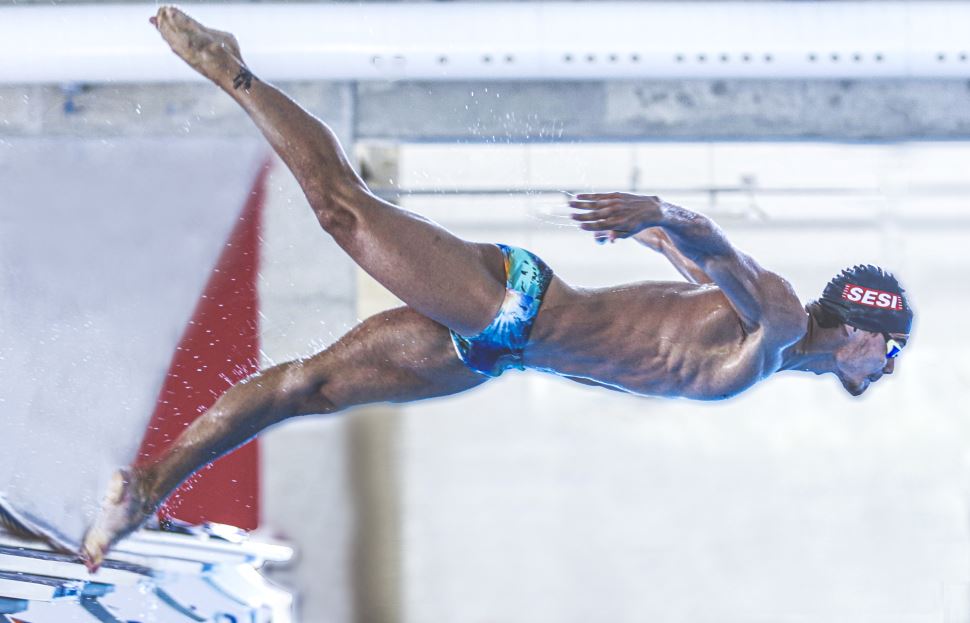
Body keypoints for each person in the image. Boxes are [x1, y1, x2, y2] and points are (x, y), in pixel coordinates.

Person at [79, 6, 913, 570]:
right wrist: (663, 211)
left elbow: (696, 261)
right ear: (867, 332)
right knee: (344, 212)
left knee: (310, 388)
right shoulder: (781, 318)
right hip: (514, 303)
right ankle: (232, 71)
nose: (886, 370)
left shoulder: (755, 340)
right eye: (892, 352)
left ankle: (147, 486)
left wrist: (654, 228)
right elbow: (720, 252)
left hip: (494, 352)